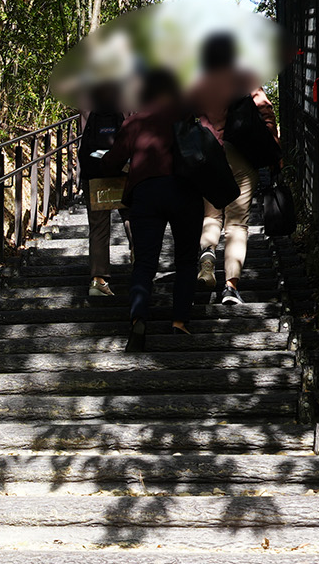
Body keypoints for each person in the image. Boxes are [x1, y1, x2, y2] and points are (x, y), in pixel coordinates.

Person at [98, 67, 197, 351]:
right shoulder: (185, 117)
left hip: (146, 194)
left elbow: (112, 162)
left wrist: (102, 164)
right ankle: (180, 322)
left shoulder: (134, 123)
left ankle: (138, 317)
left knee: (144, 261)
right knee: (187, 260)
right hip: (184, 192)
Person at [183, 31, 279, 307]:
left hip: (206, 156)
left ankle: (208, 253)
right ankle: (230, 287)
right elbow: (265, 111)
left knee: (211, 214)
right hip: (239, 154)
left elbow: (182, 117)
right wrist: (273, 147)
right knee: (237, 223)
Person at [76, 82, 125, 299]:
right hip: (123, 168)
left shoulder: (86, 93)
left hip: (94, 170)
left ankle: (98, 279)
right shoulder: (126, 91)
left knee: (98, 227)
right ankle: (141, 268)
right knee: (132, 217)